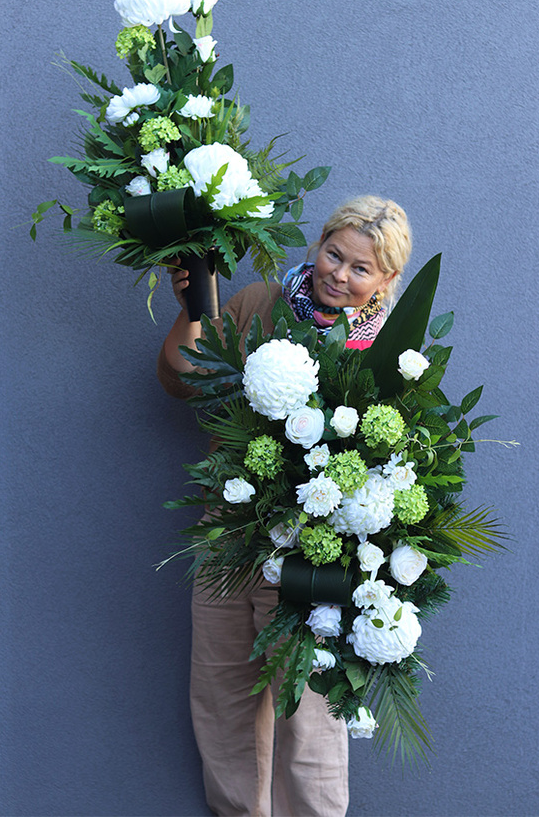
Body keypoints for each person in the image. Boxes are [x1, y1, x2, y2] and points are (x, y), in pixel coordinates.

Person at [157, 195, 412, 817]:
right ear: (317, 244)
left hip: (314, 540)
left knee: (307, 703)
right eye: (333, 254)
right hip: (230, 527)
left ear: (386, 281)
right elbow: (183, 377)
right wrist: (192, 305)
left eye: (360, 268)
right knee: (222, 690)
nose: (339, 275)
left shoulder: (389, 351)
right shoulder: (258, 304)